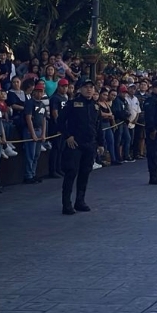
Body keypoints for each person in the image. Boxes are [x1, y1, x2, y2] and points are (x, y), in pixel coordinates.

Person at [59, 80, 101, 213]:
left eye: (91, 87)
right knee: (71, 173)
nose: (89, 90)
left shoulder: (96, 106)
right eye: (86, 87)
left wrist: (100, 143)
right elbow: (60, 121)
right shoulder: (72, 104)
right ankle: (66, 204)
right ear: (80, 89)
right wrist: (67, 136)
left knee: (85, 173)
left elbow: (98, 127)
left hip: (90, 144)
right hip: (75, 144)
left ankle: (80, 201)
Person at [22, 81, 48, 184]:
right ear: (34, 92)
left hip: (39, 130)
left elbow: (44, 119)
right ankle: (28, 175)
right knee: (30, 154)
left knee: (36, 154)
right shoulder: (30, 103)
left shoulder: (42, 104)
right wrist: (32, 133)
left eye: (41, 92)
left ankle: (33, 173)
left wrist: (43, 134)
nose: (40, 94)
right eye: (38, 91)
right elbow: (28, 118)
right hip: (30, 130)